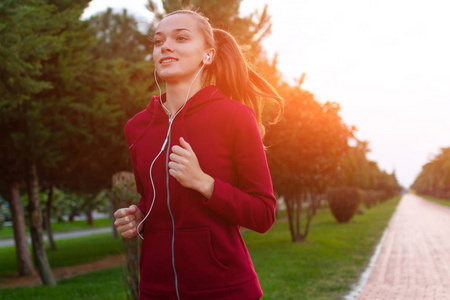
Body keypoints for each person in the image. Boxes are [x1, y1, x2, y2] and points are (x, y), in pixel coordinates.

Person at [113, 9, 284, 300]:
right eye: (158, 41)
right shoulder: (137, 127)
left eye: (180, 38)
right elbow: (150, 199)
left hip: (225, 289)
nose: (165, 46)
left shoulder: (234, 117)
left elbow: (264, 213)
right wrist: (138, 217)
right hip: (156, 291)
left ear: (208, 55)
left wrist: (205, 183)